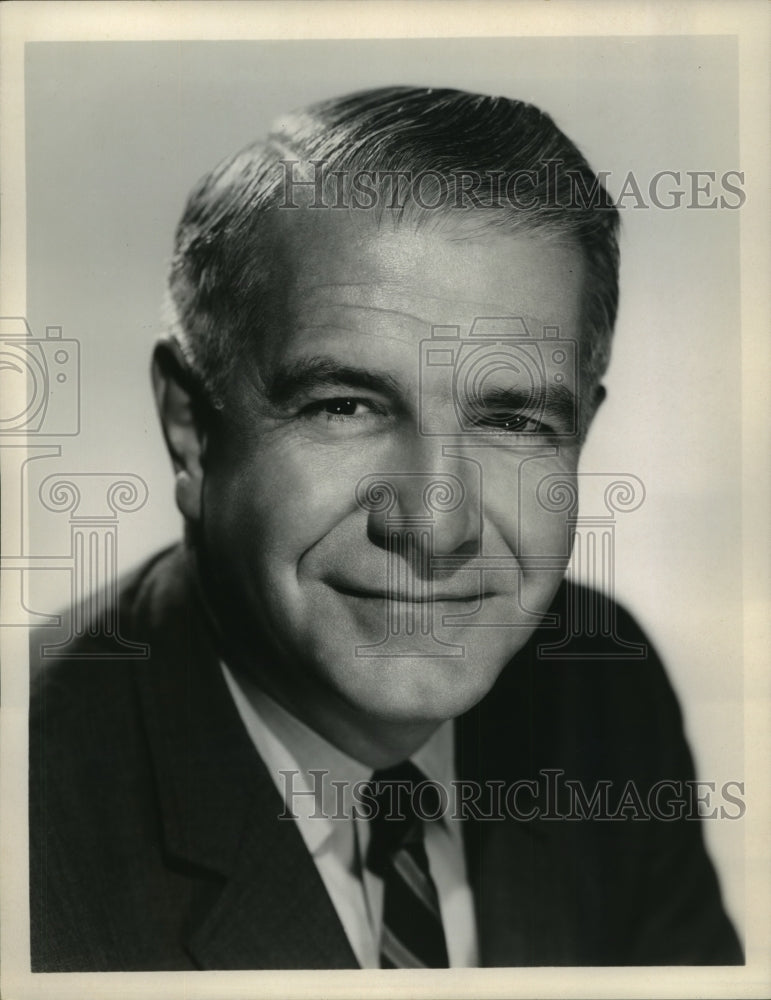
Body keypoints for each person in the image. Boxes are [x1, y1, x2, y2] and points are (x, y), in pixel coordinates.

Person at [29, 86, 742, 970]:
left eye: (513, 421)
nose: (434, 525)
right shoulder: (31, 822)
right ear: (192, 428)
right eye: (346, 405)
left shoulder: (598, 699)